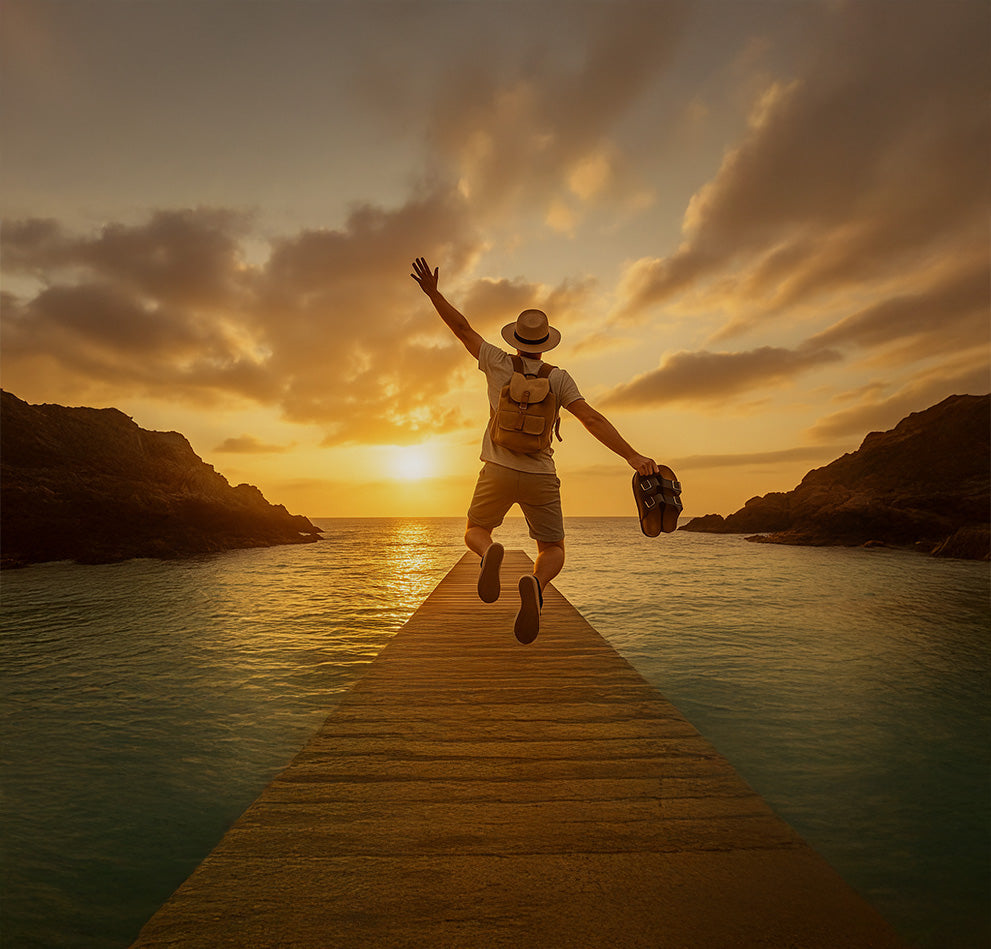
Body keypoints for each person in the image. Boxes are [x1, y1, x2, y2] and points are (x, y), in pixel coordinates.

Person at [411, 256, 660, 644]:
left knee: (475, 529)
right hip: (540, 474)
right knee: (552, 548)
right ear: (544, 344)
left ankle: (490, 551)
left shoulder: (495, 361)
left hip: (496, 467)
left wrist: (434, 293)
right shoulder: (558, 378)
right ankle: (536, 583)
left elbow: (461, 328)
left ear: (516, 339)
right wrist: (632, 455)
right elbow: (591, 419)